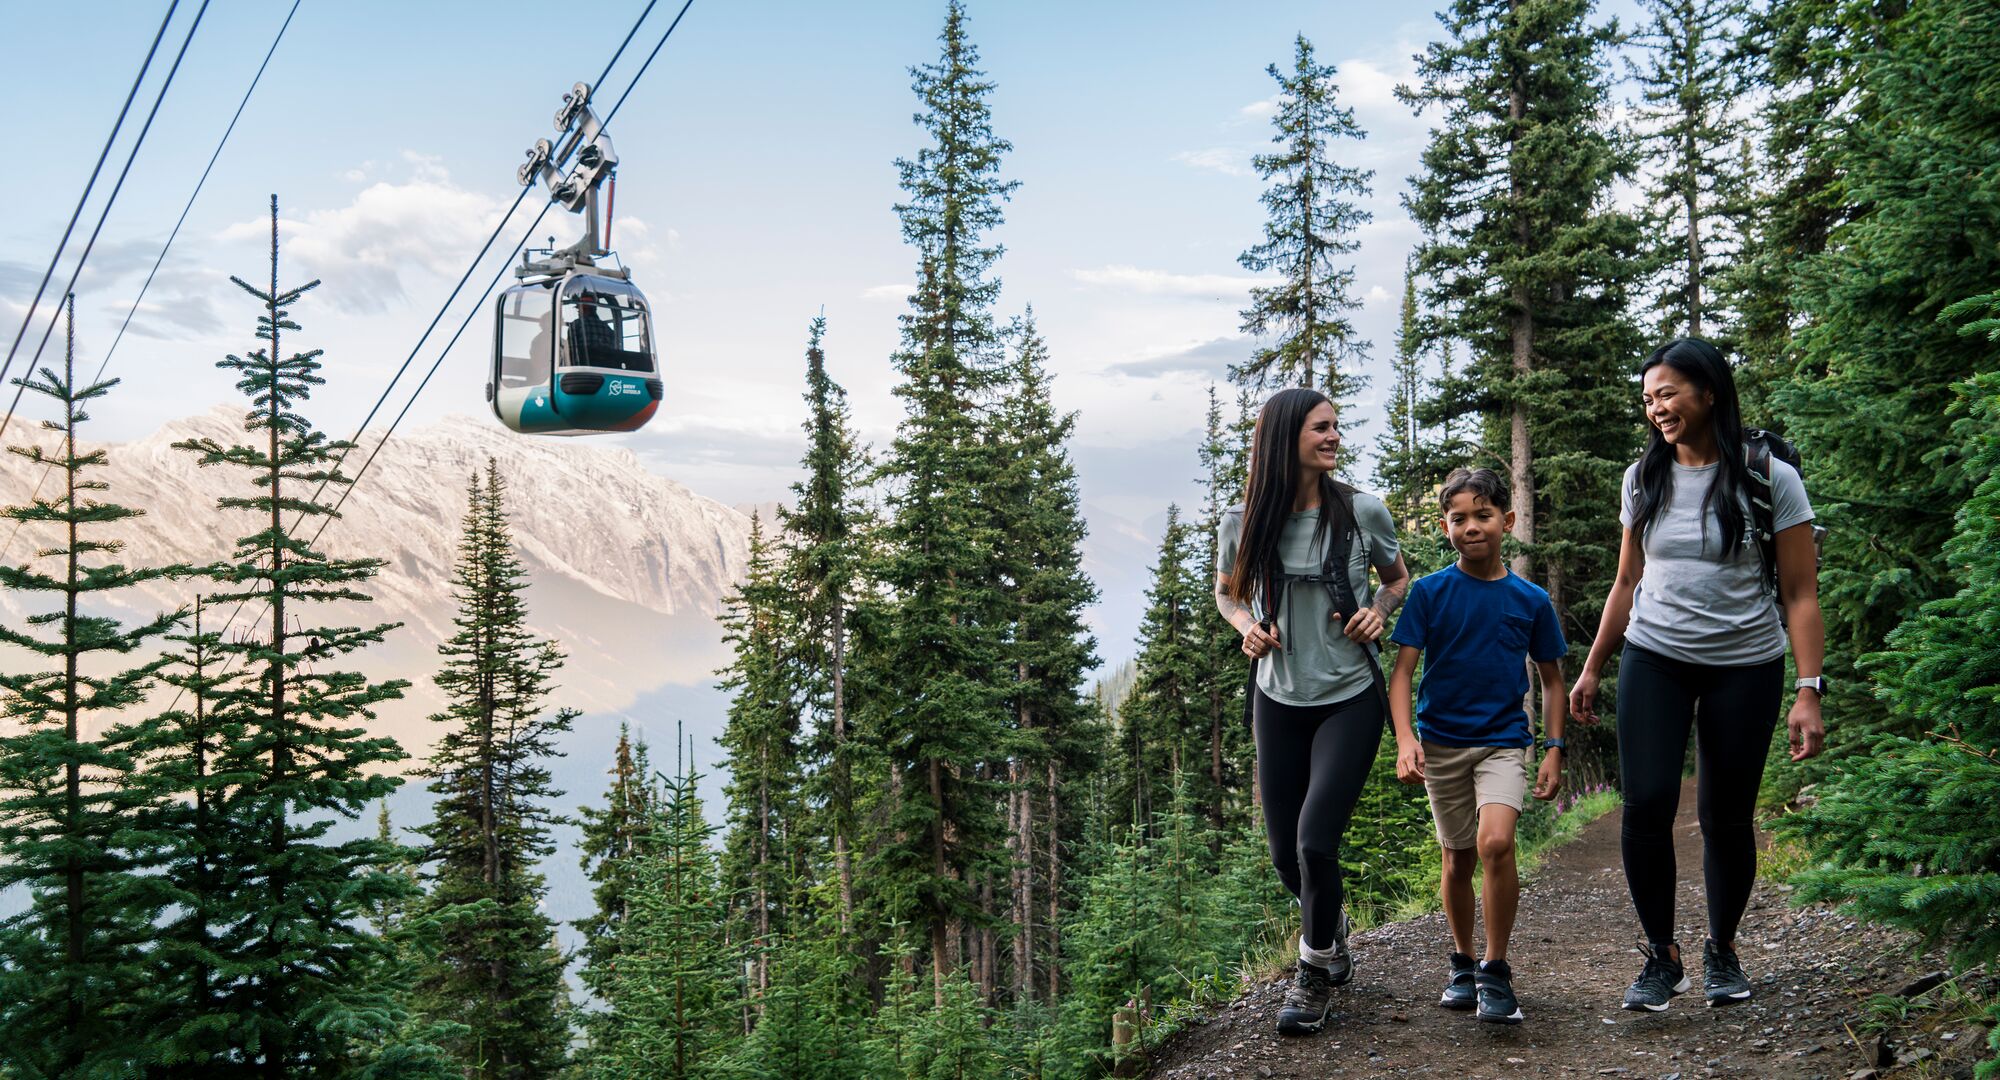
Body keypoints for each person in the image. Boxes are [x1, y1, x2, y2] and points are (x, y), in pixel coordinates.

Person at [1569, 337, 1827, 1012]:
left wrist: (1809, 689)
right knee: (1646, 803)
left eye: (1669, 393)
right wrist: (1594, 666)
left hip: (1746, 663)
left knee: (1725, 816)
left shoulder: (1770, 477)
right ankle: (1663, 956)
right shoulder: (1642, 477)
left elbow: (1800, 592)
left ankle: (1722, 949)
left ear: (1709, 392)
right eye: (1649, 398)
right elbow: (1628, 580)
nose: (1656, 408)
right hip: (1655, 654)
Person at [1214, 386, 1411, 1036]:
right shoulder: (1243, 522)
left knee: (1314, 842)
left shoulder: (1362, 511)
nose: (1334, 438)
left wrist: (1376, 612)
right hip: (1278, 698)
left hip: (1349, 700)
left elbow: (1396, 579)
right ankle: (1331, 926)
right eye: (1321, 429)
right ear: (1286, 439)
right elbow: (1226, 593)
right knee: (1282, 856)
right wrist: (1245, 624)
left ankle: (1311, 974)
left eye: (1335, 427)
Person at [1386, 467, 1567, 1026]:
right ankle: (1462, 962)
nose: (1472, 527)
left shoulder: (1530, 599)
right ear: (1445, 526)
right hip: (1440, 743)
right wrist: (1405, 739)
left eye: (1483, 515)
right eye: (1459, 518)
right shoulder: (1430, 592)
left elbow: (1553, 680)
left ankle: (1495, 969)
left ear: (1507, 522)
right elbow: (1401, 674)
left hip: (1503, 742)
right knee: (1457, 856)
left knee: (1495, 844)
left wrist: (1554, 747)